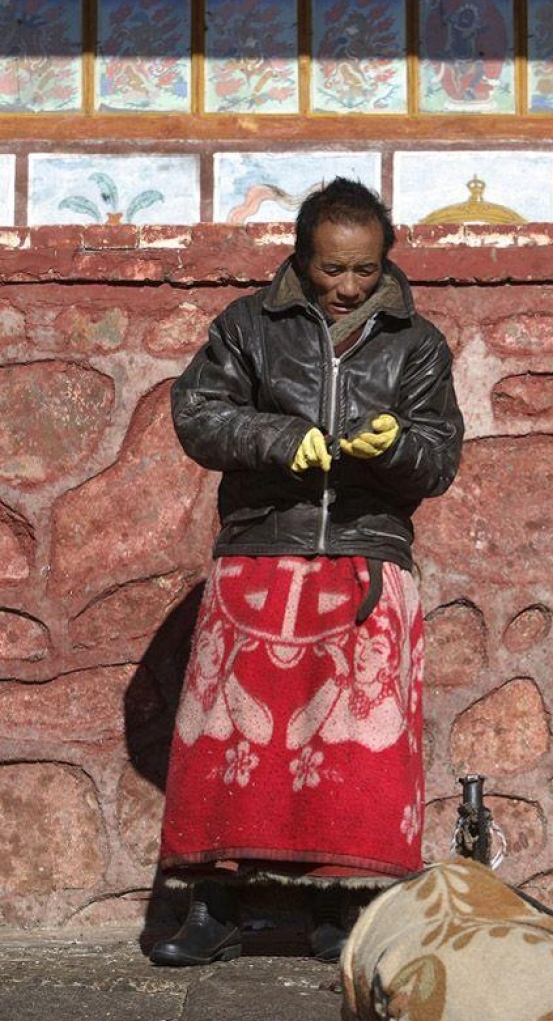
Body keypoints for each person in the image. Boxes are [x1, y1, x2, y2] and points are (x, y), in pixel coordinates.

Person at [150, 178, 464, 967]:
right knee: (226, 745)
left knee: (358, 752)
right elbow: (199, 413)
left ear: (385, 263)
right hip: (261, 546)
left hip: (366, 553)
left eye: (363, 271)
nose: (346, 286)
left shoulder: (416, 344)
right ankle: (212, 908)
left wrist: (393, 443)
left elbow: (438, 456)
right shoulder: (246, 326)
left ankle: (342, 912)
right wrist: (278, 439)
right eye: (331, 270)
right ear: (299, 257)